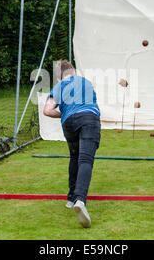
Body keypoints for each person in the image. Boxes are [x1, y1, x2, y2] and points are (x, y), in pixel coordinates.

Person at [43, 60, 101, 228]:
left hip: (68, 122)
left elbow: (47, 110)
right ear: (73, 72)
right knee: (85, 159)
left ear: (59, 78)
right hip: (89, 118)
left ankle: (70, 198)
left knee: (74, 157)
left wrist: (64, 114)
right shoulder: (85, 82)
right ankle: (80, 200)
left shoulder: (59, 86)